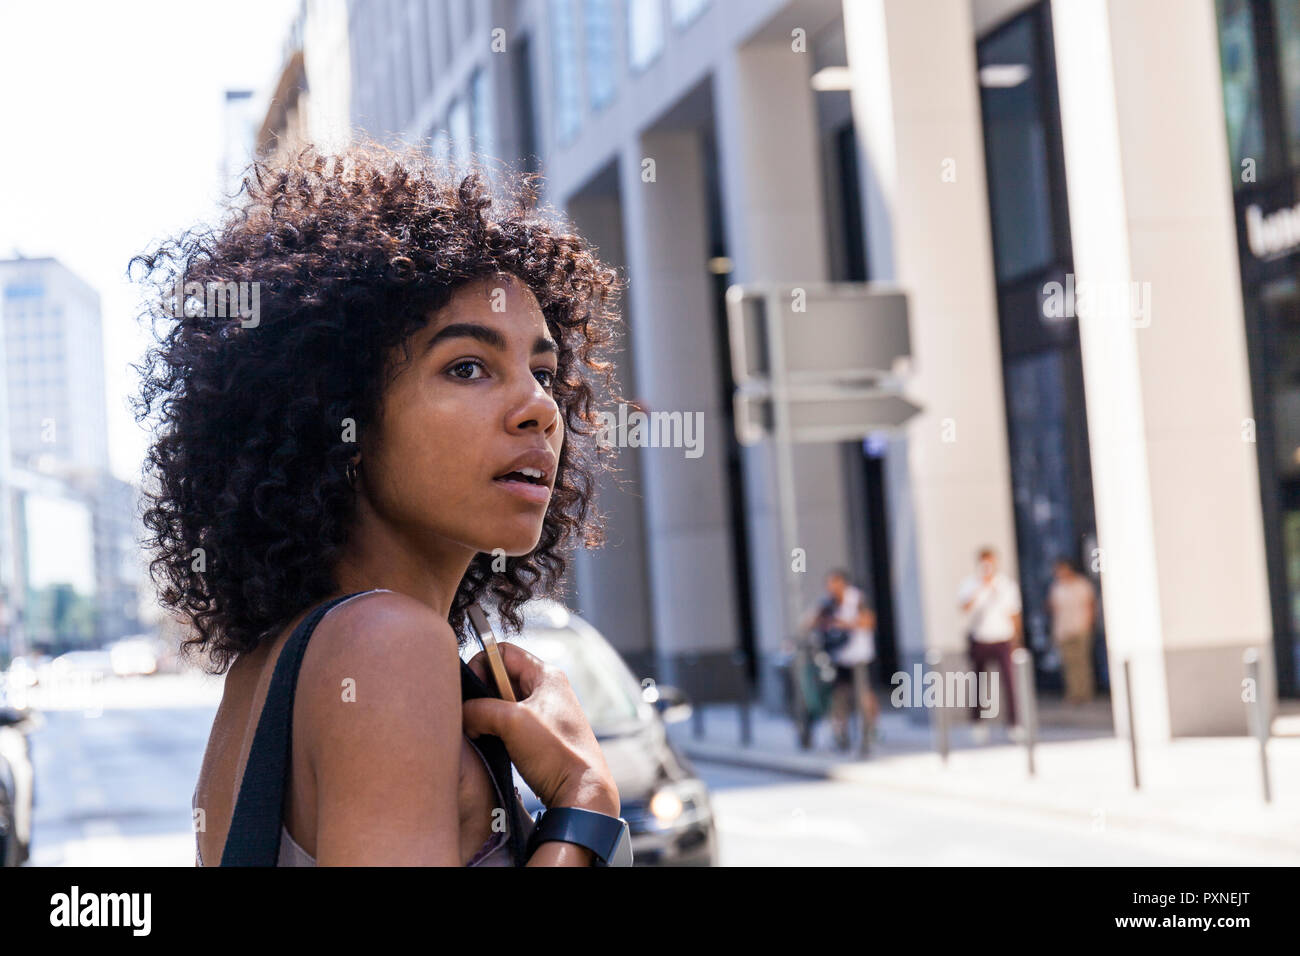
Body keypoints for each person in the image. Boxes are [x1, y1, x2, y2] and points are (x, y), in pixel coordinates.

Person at [140, 142, 628, 866]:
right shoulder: (388, 644)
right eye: (468, 367)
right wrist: (585, 807)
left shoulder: (268, 668)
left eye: (545, 371)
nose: (539, 409)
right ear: (339, 416)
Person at [804, 569, 879, 753]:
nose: (831, 589)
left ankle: (870, 729)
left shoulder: (858, 599)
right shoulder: (828, 603)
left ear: (843, 584)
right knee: (838, 696)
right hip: (839, 656)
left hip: (860, 655)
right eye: (829, 585)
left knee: (864, 694)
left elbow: (869, 622)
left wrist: (844, 624)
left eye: (835, 585)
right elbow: (810, 622)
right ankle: (841, 733)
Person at [957, 547, 1023, 739]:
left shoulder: (1005, 585)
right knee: (978, 683)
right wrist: (981, 589)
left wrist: (1017, 639)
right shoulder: (970, 584)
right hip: (980, 639)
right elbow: (964, 608)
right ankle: (977, 723)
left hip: (1002, 639)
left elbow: (1013, 612)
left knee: (1009, 683)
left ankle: (1013, 724)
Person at [1048, 558, 1098, 704]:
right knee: (1069, 663)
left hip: (1080, 627)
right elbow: (1053, 607)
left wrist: (1089, 624)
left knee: (1082, 662)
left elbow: (1090, 605)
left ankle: (1085, 693)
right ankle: (1073, 693)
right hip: (1063, 629)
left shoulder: (1082, 585)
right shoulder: (1057, 587)